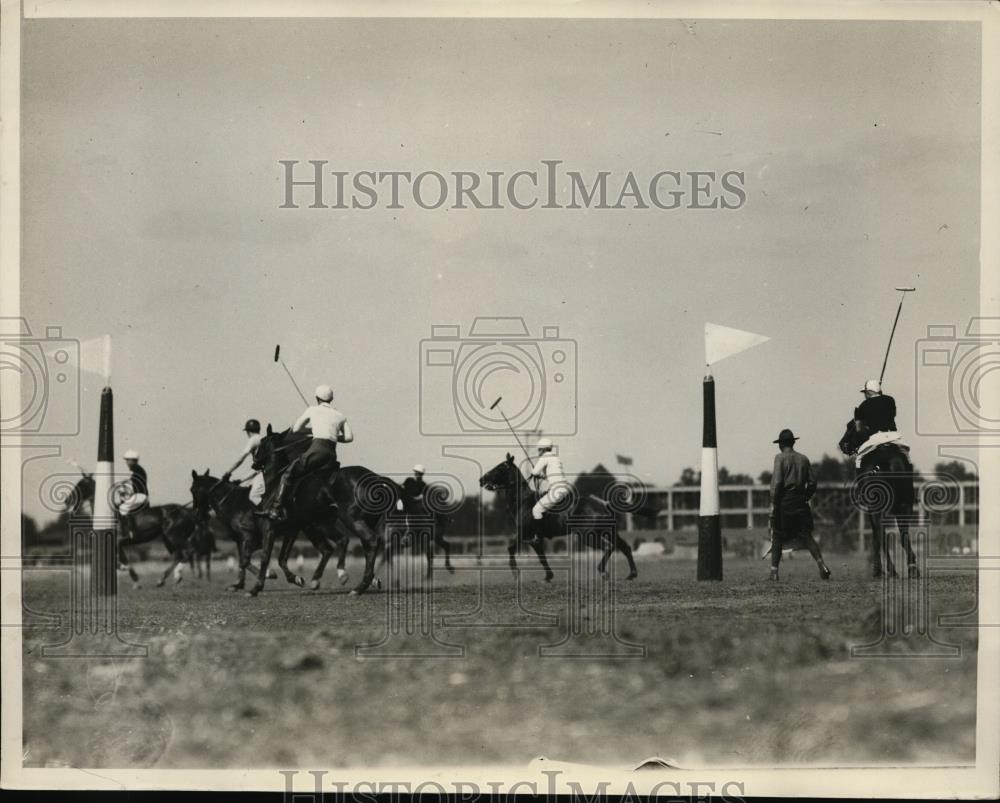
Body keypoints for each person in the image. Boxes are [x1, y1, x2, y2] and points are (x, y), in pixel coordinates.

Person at [260, 384, 353, 521]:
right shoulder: (340, 415)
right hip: (331, 455)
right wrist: (331, 435)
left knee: (287, 474)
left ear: (317, 398)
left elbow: (295, 429)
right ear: (331, 399)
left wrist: (314, 431)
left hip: (316, 451)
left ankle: (275, 509)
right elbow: (349, 438)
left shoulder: (312, 410)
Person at [768, 429, 831, 582]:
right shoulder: (804, 459)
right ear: (793, 442)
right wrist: (805, 497)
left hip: (785, 502)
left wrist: (774, 504)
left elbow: (777, 483)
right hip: (801, 502)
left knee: (777, 536)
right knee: (807, 536)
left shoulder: (780, 458)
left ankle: (774, 573)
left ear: (781, 445)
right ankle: (822, 565)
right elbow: (813, 482)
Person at [524, 438, 570, 546]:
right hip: (564, 489)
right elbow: (550, 475)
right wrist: (541, 475)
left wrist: (535, 471)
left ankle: (538, 538)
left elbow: (534, 472)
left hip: (556, 490)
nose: (538, 452)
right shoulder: (555, 458)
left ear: (543, 450)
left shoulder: (545, 457)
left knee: (536, 509)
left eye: (539, 450)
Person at [852, 379, 902, 463]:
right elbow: (893, 415)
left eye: (865, 393)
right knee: (907, 458)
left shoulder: (863, 405)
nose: (865, 395)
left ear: (868, 392)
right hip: (894, 437)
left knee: (859, 459)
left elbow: (859, 430)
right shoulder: (890, 400)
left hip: (876, 438)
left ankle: (860, 476)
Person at [222, 419, 266, 508]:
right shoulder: (260, 438)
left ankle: (270, 518)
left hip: (264, 472)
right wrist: (241, 480)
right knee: (245, 488)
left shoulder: (253, 440)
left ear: (248, 431)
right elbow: (257, 469)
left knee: (254, 496)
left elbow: (241, 459)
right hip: (262, 471)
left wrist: (228, 472)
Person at [118, 449, 148, 539]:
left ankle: (128, 533)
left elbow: (126, 480)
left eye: (128, 460)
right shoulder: (138, 469)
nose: (126, 462)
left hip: (140, 496)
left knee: (122, 508)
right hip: (141, 496)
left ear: (133, 460)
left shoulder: (135, 469)